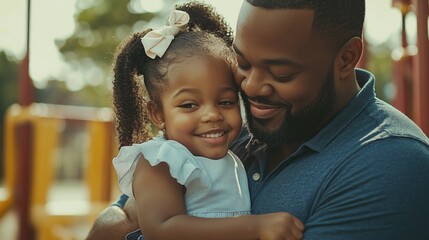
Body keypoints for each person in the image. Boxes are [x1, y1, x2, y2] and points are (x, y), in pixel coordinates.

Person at [87, 0, 429, 239]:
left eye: (280, 72)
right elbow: (121, 219)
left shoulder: (389, 164)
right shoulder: (225, 130)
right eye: (244, 64)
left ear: (346, 58)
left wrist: (128, 226)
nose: (250, 87)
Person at [96, 2, 304, 240]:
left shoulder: (232, 158)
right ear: (157, 114)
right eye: (189, 105)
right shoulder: (163, 160)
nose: (212, 115)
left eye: (225, 102)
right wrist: (254, 227)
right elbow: (161, 229)